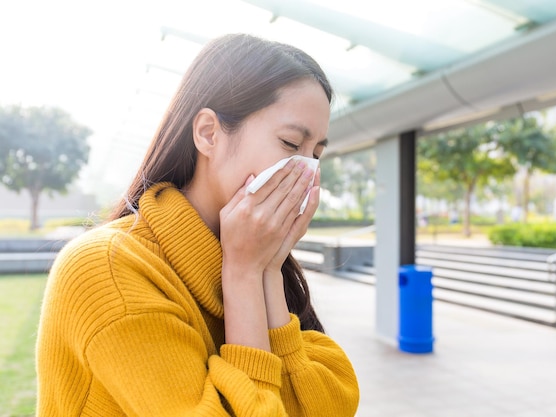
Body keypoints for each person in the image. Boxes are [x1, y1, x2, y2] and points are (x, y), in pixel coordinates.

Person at [36, 33, 359, 416]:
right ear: (209, 134)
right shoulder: (108, 269)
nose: (305, 173)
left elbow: (324, 405)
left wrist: (267, 270)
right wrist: (242, 275)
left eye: (316, 154)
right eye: (291, 144)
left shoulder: (257, 259)